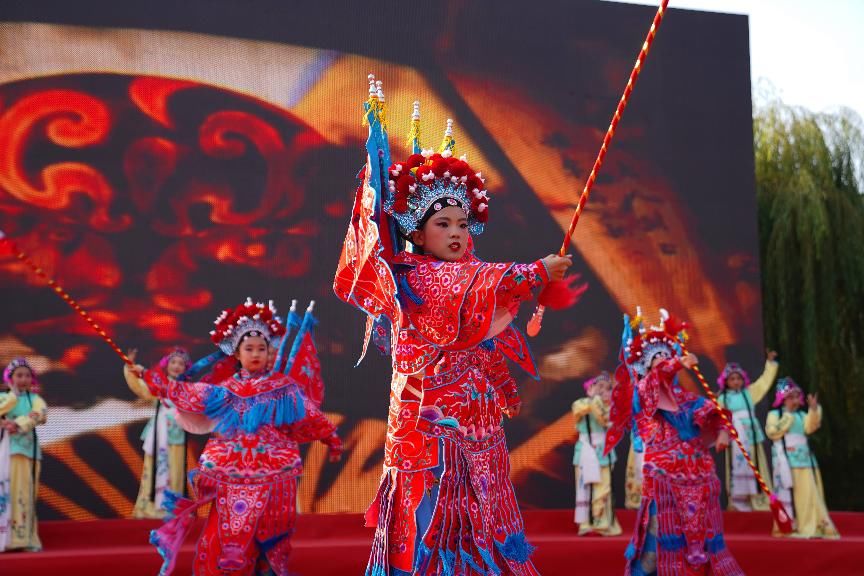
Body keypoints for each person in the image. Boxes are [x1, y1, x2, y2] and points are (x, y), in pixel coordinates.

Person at [334, 78, 573, 575]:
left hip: (476, 426)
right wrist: (534, 274)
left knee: (485, 516)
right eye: (443, 224)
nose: (458, 233)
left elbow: (485, 314)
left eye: (463, 224)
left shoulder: (467, 277)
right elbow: (470, 296)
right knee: (431, 523)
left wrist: (534, 288)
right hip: (430, 432)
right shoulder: (413, 280)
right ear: (417, 233)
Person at [127, 298, 343, 575]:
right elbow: (186, 393)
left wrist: (331, 439)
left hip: (275, 470)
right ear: (237, 354)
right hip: (231, 469)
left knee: (273, 530)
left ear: (269, 353)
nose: (256, 354)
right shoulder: (224, 390)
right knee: (230, 532)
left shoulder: (283, 388)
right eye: (249, 349)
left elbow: (310, 415)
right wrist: (148, 377)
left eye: (262, 349)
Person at [605, 310, 744, 575]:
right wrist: (677, 363)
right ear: (645, 366)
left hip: (699, 474)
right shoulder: (644, 392)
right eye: (656, 358)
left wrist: (723, 432)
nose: (663, 361)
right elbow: (656, 381)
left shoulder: (685, 397)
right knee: (658, 537)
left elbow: (714, 414)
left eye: (666, 356)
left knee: (701, 536)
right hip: (664, 477)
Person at [766, 377, 839, 539]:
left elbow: (810, 427)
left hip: (804, 460)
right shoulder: (775, 415)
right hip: (785, 461)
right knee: (789, 495)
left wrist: (813, 410)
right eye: (791, 397)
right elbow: (772, 432)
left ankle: (809, 525)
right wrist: (788, 416)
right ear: (783, 399)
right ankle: (789, 526)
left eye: (796, 396)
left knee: (808, 494)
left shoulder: (801, 416)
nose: (795, 400)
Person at [124, 347, 191, 518]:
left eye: (181, 364)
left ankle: (172, 507)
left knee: (176, 471)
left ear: (185, 368)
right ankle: (150, 507)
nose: (176, 366)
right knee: (153, 469)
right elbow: (139, 387)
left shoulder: (188, 389)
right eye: (173, 362)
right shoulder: (158, 385)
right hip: (158, 434)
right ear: (167, 365)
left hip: (176, 434)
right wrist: (130, 368)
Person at [716, 350, 778, 511]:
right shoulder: (722, 398)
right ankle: (737, 501)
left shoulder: (749, 394)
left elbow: (764, 382)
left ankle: (759, 500)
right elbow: (717, 417)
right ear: (726, 382)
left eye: (738, 378)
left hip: (751, 437)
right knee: (736, 466)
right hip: (735, 439)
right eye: (732, 379)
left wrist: (770, 364)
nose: (736, 382)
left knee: (756, 465)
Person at [1, 358, 47, 552]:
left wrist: (17, 424)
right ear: (10, 378)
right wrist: (11, 399)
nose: (23, 379)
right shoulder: (4, 398)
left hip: (27, 452)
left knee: (25, 494)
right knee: (6, 493)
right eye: (19, 375)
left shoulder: (35, 400)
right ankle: (6, 538)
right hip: (5, 452)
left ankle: (23, 538)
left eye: (27, 375)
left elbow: (40, 415)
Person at [572, 371, 621, 536]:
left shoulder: (612, 408)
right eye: (599, 387)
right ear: (589, 389)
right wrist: (594, 399)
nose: (603, 391)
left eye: (607, 388)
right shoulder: (581, 404)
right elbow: (579, 410)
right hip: (585, 450)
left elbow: (606, 420)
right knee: (584, 487)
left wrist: (599, 401)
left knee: (604, 487)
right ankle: (586, 523)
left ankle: (603, 522)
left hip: (603, 451)